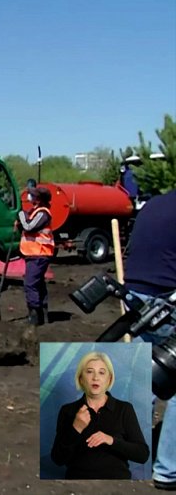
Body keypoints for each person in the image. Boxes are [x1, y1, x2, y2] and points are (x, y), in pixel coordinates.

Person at [121, 189, 176, 490]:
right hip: (166, 300)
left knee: (147, 375)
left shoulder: (156, 204)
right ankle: (169, 470)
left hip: (136, 296)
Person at [50, 351, 150, 479]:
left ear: (109, 379)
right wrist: (76, 429)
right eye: (89, 372)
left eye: (102, 373)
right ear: (81, 378)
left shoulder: (124, 409)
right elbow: (58, 459)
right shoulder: (68, 410)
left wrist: (111, 440)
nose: (95, 377)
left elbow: (142, 455)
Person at [17, 186, 54, 325]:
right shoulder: (35, 212)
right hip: (34, 253)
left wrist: (21, 214)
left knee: (30, 284)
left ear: (38, 199)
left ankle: (35, 314)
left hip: (39, 253)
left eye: (32, 195)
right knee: (38, 284)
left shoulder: (43, 213)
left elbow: (29, 227)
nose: (29, 198)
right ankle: (43, 314)